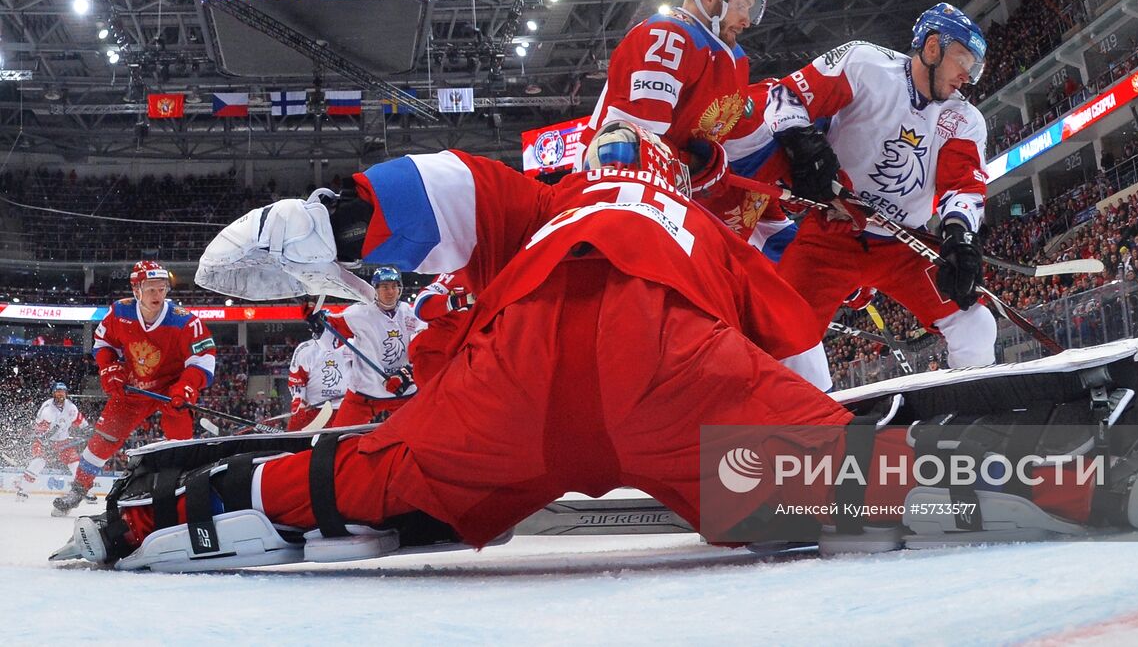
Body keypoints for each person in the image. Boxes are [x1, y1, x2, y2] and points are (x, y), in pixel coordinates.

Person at [77, 122, 850, 566]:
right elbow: (791, 340)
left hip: (511, 386)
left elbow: (451, 186)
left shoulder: (549, 199)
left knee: (360, 474)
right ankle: (871, 484)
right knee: (874, 482)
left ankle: (162, 513)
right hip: (672, 366)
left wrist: (337, 217)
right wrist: (810, 419)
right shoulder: (704, 227)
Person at [766, 3, 998, 381]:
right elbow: (785, 97)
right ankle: (812, 425)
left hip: (904, 245)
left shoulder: (964, 119)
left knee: (976, 323)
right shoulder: (864, 64)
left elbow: (963, 186)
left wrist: (961, 235)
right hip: (832, 234)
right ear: (934, 46)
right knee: (782, 337)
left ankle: (971, 419)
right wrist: (804, 146)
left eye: (974, 67)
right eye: (963, 60)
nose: (967, 76)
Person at [575, 0, 766, 173]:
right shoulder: (667, 36)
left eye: (751, 8)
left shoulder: (736, 58)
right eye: (741, 6)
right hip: (613, 186)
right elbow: (633, 148)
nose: (747, 20)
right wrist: (699, 167)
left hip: (672, 192)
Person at [51, 260, 216, 516]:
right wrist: (109, 368)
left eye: (162, 288)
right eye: (151, 288)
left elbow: (203, 359)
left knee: (180, 442)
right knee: (103, 438)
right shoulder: (120, 312)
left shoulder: (185, 322)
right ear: (136, 290)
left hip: (171, 389)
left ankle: (184, 492)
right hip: (133, 388)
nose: (157, 295)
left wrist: (186, 387)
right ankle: (78, 488)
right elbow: (103, 343)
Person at [312, 267, 425, 428]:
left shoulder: (412, 314)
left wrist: (406, 374)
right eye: (385, 287)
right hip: (364, 395)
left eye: (394, 286)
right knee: (338, 438)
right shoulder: (357, 314)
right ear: (375, 289)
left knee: (417, 436)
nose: (390, 291)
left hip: (404, 393)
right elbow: (330, 342)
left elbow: (425, 349)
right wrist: (318, 326)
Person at [15, 382, 89, 501]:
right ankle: (22, 490)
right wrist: (46, 442)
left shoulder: (71, 407)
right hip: (43, 442)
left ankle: (84, 491)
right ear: (53, 393)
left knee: (75, 464)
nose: (61, 394)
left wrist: (87, 429)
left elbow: (81, 422)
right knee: (38, 462)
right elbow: (40, 432)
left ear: (66, 393)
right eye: (58, 392)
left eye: (63, 392)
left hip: (63, 442)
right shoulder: (47, 410)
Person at [408, 271, 475, 386]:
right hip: (440, 357)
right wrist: (458, 301)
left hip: (473, 355)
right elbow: (422, 306)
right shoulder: (456, 273)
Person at [286, 328, 351, 431]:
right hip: (312, 409)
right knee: (294, 441)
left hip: (342, 410)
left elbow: (363, 374)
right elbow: (296, 381)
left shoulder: (350, 347)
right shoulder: (306, 349)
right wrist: (299, 401)